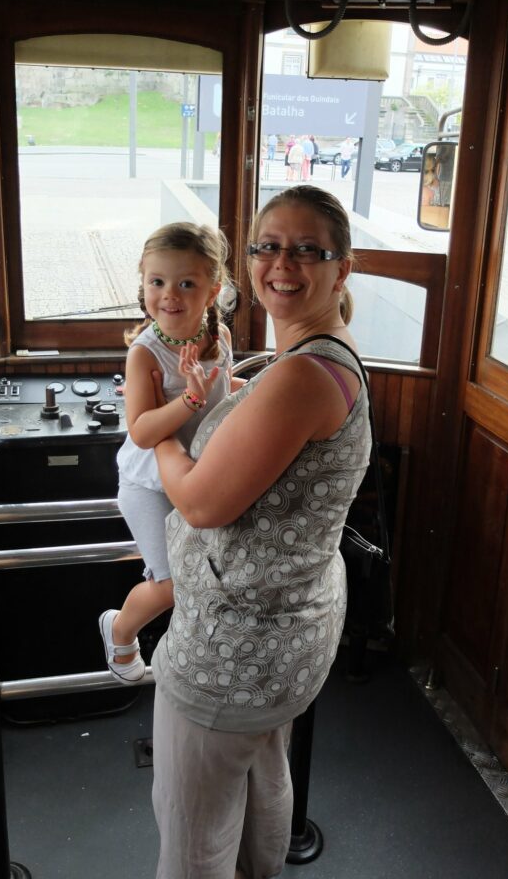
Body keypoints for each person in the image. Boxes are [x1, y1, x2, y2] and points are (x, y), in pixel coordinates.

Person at [149, 186, 373, 879]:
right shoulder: (316, 357)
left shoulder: (303, 374)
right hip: (283, 638)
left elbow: (200, 504)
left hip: (233, 653)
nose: (283, 262)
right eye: (268, 245)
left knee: (192, 829)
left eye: (309, 249)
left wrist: (158, 435)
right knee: (261, 779)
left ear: (342, 266)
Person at [98, 222, 244, 683]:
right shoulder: (145, 354)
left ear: (213, 289)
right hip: (148, 484)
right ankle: (119, 629)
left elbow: (223, 390)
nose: (169, 294)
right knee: (172, 583)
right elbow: (142, 431)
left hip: (198, 479)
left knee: (211, 577)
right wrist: (189, 400)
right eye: (157, 282)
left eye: (186, 283)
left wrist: (260, 389)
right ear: (142, 283)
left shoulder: (217, 339)